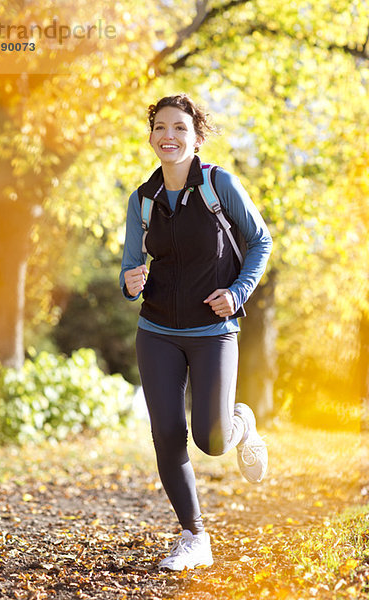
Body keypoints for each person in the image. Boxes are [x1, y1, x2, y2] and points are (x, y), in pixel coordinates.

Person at [119, 94, 273, 571]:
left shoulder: (218, 185)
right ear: (150, 136)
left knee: (211, 439)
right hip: (157, 329)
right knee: (167, 433)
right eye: (161, 127)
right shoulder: (141, 199)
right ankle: (194, 536)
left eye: (180, 128)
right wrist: (129, 283)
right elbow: (129, 266)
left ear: (196, 138)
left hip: (215, 329)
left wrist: (239, 291)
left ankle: (241, 423)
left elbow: (260, 240)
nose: (169, 135)